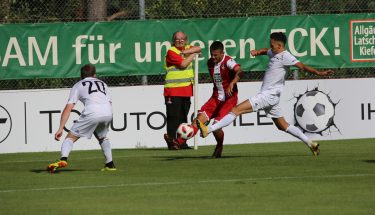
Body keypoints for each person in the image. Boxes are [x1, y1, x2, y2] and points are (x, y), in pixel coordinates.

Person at [197, 32, 334, 156]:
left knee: (235, 110)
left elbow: (303, 66)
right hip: (272, 98)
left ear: (279, 45)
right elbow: (265, 51)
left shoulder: (286, 56)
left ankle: (208, 129)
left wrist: (319, 73)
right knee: (283, 126)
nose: (270, 47)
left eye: (272, 45)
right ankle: (311, 143)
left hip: (268, 95)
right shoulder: (273, 52)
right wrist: (258, 52)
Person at [176, 41, 243, 157]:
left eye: (216, 55)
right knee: (197, 121)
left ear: (222, 53)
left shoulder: (228, 61)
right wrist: (184, 52)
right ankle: (178, 142)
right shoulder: (210, 63)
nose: (213, 57)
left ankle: (219, 146)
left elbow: (240, 71)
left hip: (229, 99)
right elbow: (197, 50)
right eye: (211, 54)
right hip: (215, 98)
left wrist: (233, 82)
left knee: (216, 127)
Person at [47, 64, 116, 173]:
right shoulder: (103, 83)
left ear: (81, 75)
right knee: (102, 137)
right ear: (95, 75)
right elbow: (109, 102)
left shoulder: (78, 85)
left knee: (70, 137)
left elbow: (69, 108)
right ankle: (110, 164)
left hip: (92, 112)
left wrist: (60, 128)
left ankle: (63, 159)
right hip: (108, 112)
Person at [163, 31, 202, 150]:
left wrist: (186, 52)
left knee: (183, 117)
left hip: (186, 89)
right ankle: (171, 142)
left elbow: (199, 48)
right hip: (173, 89)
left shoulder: (187, 48)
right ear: (173, 41)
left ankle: (181, 143)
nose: (180, 41)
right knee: (173, 117)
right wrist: (192, 54)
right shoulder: (171, 51)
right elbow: (183, 64)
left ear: (186, 40)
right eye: (177, 39)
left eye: (182, 39)